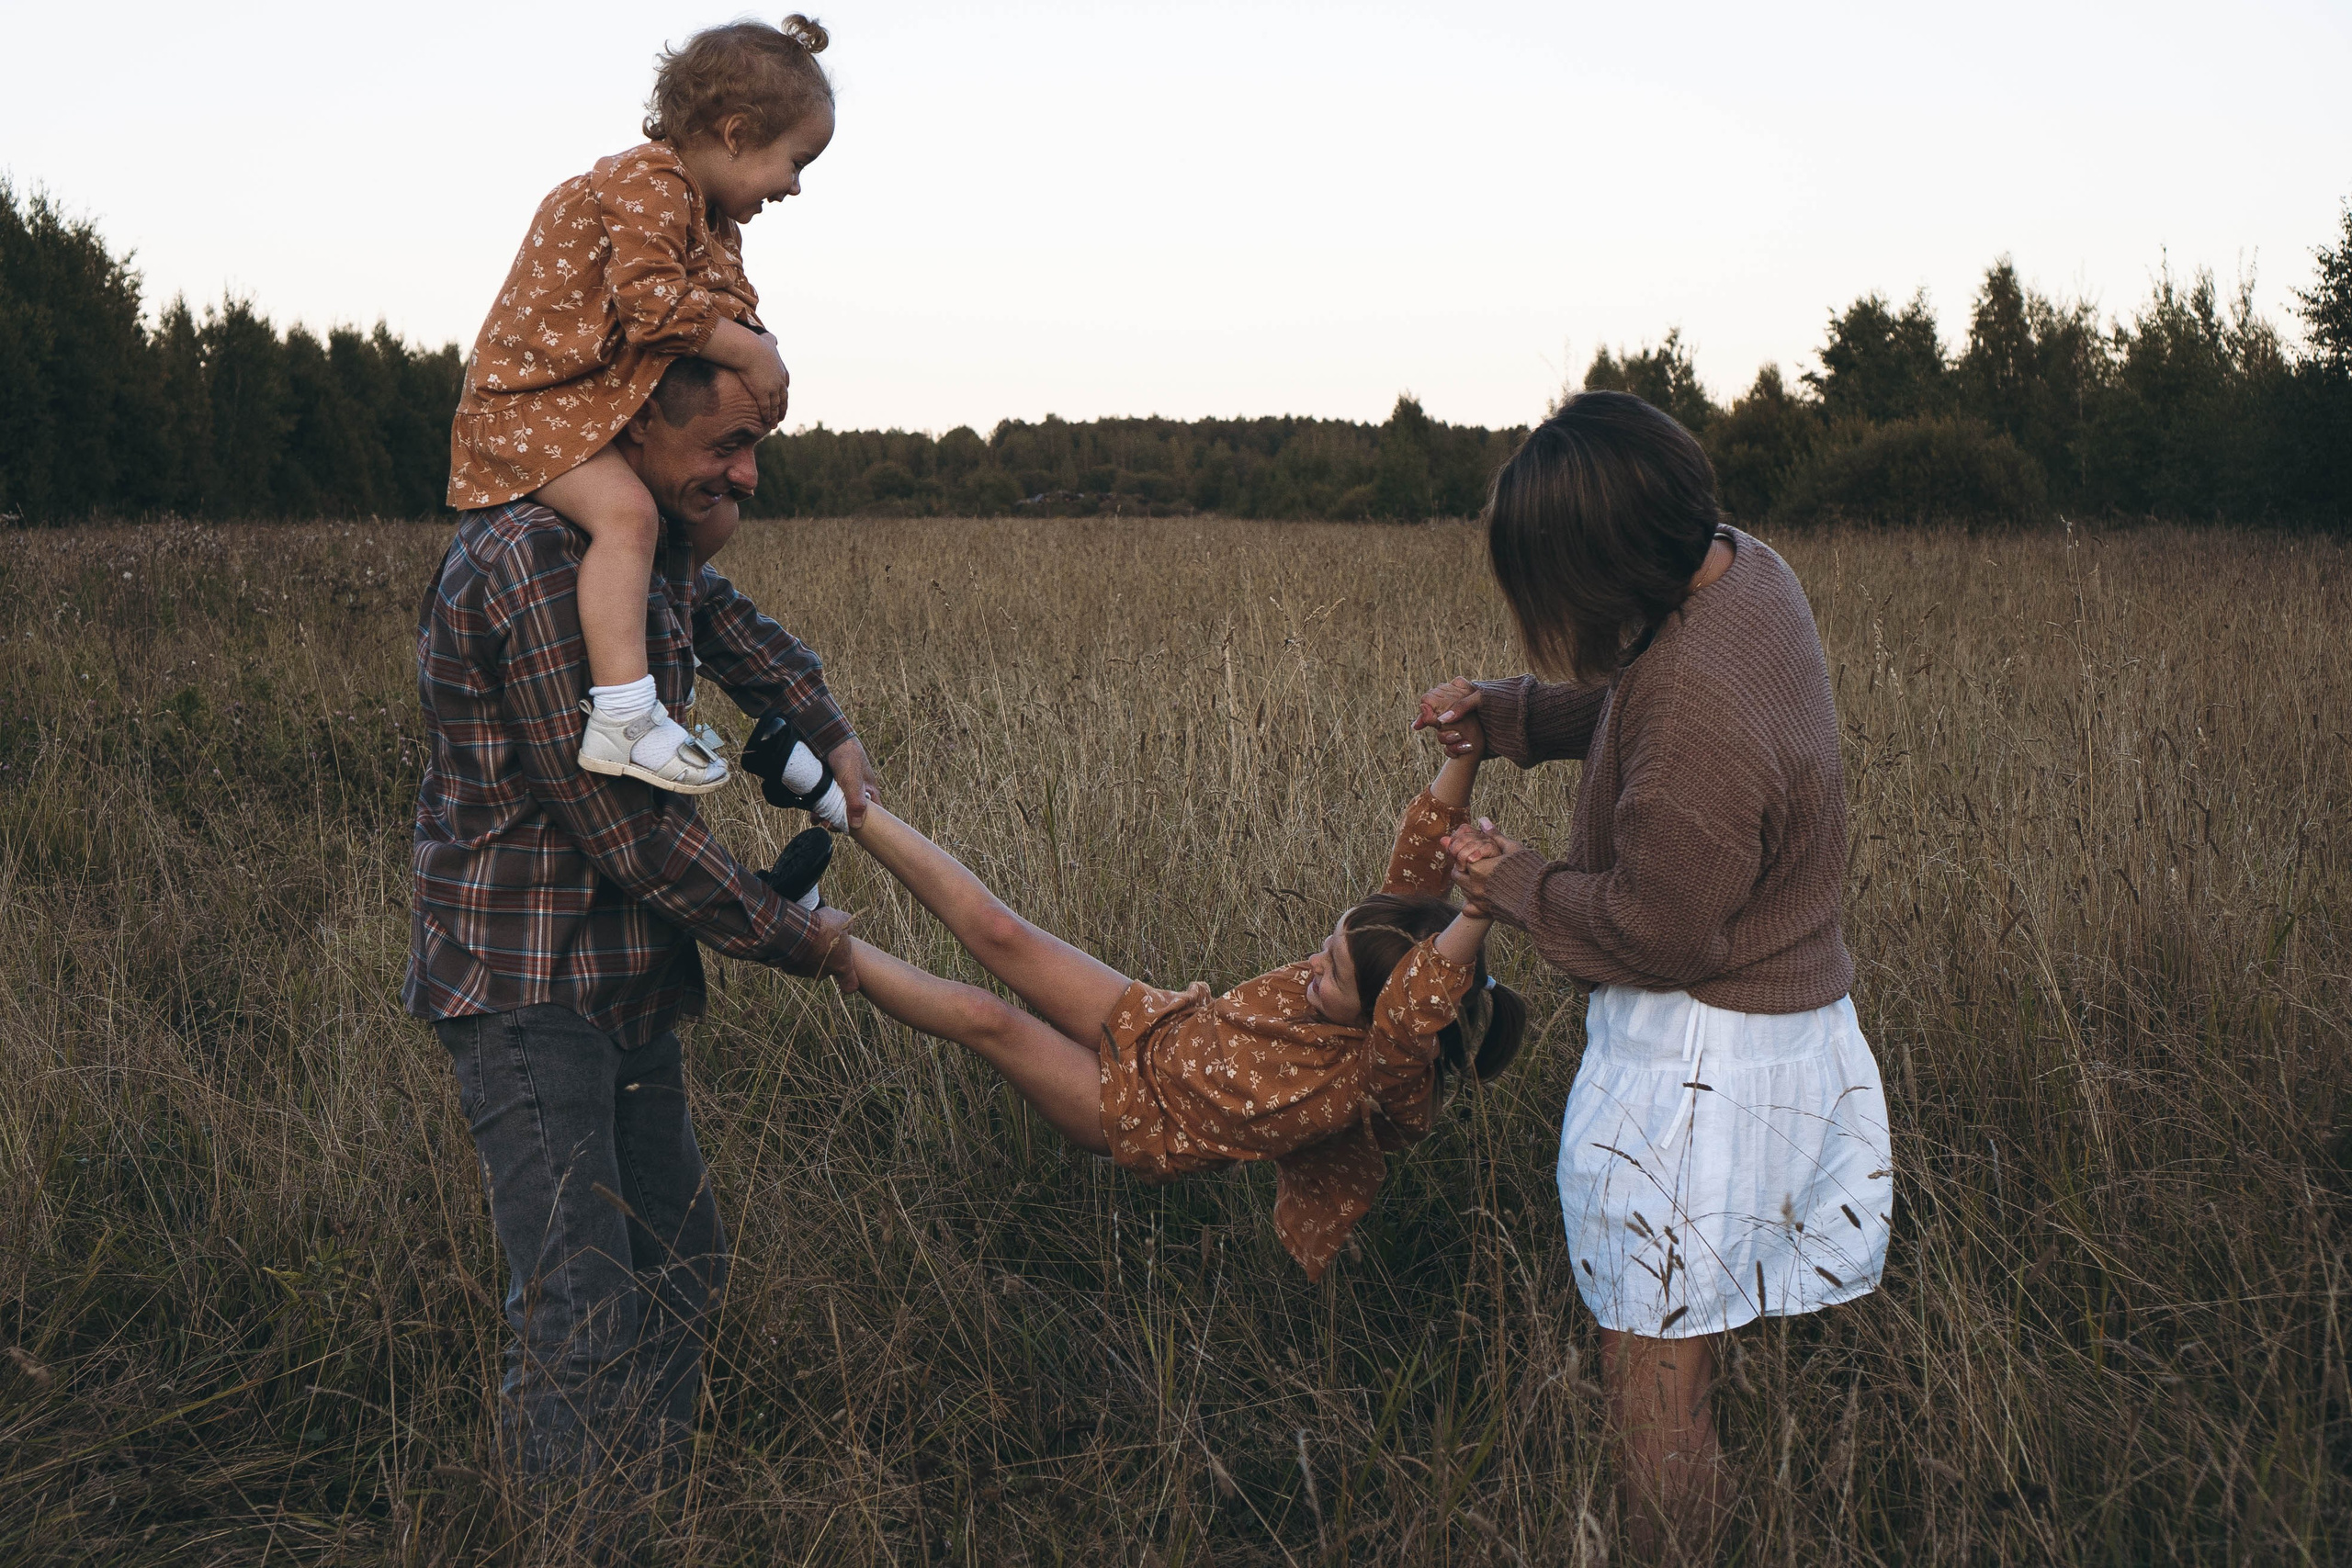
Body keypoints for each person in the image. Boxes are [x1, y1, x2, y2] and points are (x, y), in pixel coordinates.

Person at [1417, 391, 1893, 1560]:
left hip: (1698, 1065)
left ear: (1597, 571)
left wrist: (1510, 877)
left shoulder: (1697, 709)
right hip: (1785, 1031)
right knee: (1698, 1338)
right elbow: (1649, 686)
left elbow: (1657, 931)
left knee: (1653, 1382)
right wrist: (1512, 715)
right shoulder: (1742, 571)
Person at [407, 354, 876, 1538]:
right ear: (632, 421)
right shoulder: (528, 561)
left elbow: (723, 622)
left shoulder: (644, 552)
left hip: (626, 982)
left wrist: (821, 721)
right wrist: (795, 935)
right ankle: (576, 1540)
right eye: (724, 446)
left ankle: (643, 1518)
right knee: (576, 1306)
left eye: (754, 447)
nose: (748, 474)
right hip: (528, 989)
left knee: (681, 1267)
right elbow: (630, 833)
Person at [831, 742, 1531, 1280]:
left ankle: (807, 937)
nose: (1315, 962)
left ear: (1385, 1016)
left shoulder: (1382, 1074)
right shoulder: (1382, 955)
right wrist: (1463, 751)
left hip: (1138, 1113)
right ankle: (838, 802)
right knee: (999, 928)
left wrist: (1476, 910)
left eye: (1334, 972)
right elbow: (1414, 870)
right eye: (1327, 946)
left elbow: (1415, 1010)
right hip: (1156, 1019)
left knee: (988, 1017)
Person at [447, 15, 839, 794]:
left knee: (707, 520)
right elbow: (653, 307)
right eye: (795, 161)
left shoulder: (712, 221)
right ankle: (623, 716)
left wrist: (762, 357)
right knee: (629, 517)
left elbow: (730, 306)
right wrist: (751, 351)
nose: (795, 185)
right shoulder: (648, 182)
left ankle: (662, 665)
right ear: (734, 134)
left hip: (580, 408)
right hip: (526, 410)